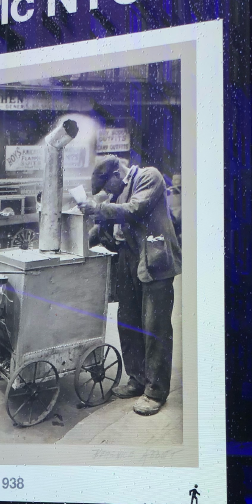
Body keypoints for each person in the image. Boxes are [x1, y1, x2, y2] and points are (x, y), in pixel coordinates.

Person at [79, 155, 181, 417]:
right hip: (129, 260)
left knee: (154, 326)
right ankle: (137, 379)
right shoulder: (118, 194)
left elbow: (136, 209)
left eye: (106, 187)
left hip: (155, 260)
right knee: (128, 321)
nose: (107, 194)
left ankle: (155, 391)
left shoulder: (150, 176)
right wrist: (78, 239)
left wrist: (99, 209)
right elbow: (107, 228)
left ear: (116, 173)